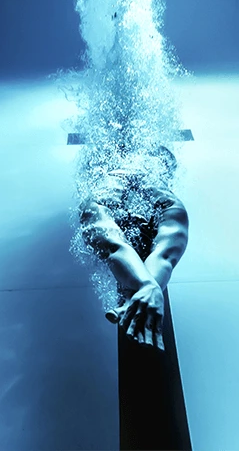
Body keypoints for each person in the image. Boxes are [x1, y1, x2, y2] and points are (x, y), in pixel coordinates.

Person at [79, 145, 188, 351]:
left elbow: (119, 248)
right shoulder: (165, 201)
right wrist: (148, 286)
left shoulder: (102, 194)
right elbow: (159, 255)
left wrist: (147, 287)